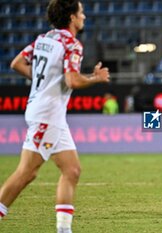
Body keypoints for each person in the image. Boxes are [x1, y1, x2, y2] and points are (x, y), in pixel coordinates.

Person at [0, 1, 110, 232]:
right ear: (72, 17)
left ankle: (63, 230)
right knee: (26, 173)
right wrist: (95, 78)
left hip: (50, 115)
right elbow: (73, 80)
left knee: (72, 170)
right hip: (47, 115)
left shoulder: (44, 39)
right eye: (81, 12)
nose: (84, 17)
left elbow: (17, 63)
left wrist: (45, 82)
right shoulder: (72, 44)